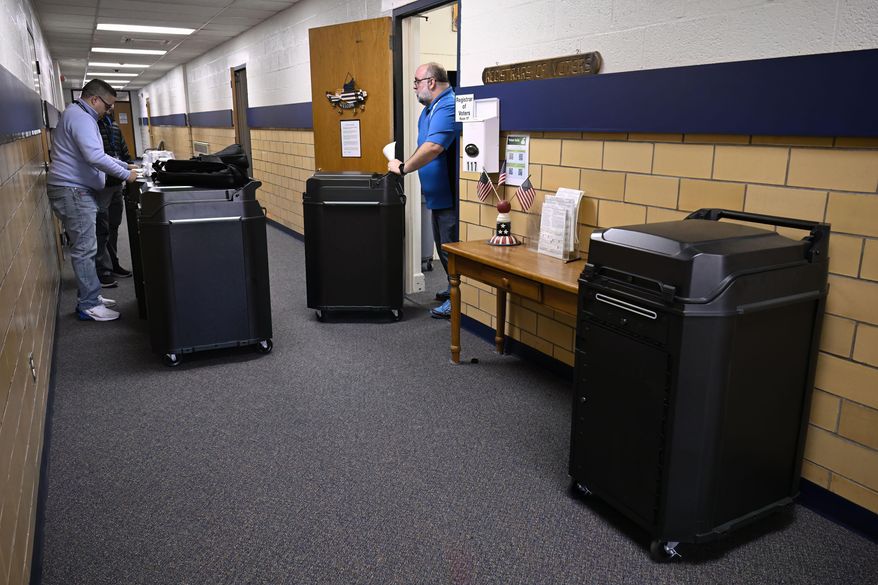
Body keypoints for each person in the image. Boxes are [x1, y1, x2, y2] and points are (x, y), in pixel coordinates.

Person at [47, 79, 137, 322]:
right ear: (94, 99)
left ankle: (92, 296)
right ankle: (88, 304)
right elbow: (94, 156)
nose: (109, 111)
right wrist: (126, 175)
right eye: (108, 106)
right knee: (85, 249)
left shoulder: (80, 116)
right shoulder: (80, 117)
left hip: (75, 190)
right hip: (73, 191)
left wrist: (123, 164)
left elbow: (100, 154)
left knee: (89, 246)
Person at [388, 62, 459, 319]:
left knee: (451, 248)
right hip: (436, 195)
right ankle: (453, 289)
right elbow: (424, 146)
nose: (415, 87)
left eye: (417, 82)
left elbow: (432, 148)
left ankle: (458, 299)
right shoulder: (430, 109)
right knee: (442, 246)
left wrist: (404, 168)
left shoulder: (449, 105)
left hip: (450, 196)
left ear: (431, 82)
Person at [96, 110, 134, 286]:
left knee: (114, 226)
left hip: (117, 184)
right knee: (101, 229)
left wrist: (130, 165)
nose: (110, 108)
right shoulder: (92, 127)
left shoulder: (115, 127)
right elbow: (98, 158)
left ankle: (114, 263)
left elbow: (123, 151)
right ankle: (103, 269)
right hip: (101, 185)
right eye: (107, 104)